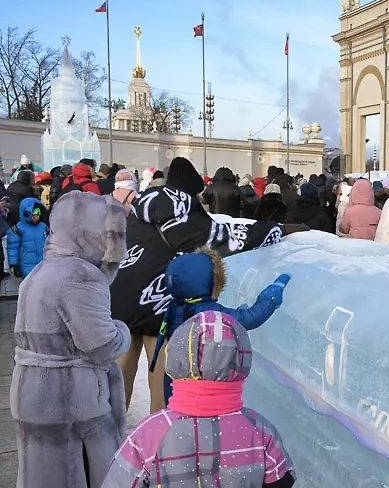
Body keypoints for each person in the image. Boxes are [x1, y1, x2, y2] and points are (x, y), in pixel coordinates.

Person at [72, 311, 295, 488]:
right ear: (241, 360)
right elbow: (278, 486)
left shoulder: (151, 433)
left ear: (177, 358)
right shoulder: (257, 427)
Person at [11, 191, 133, 488]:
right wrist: (123, 331)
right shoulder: (81, 276)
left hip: (37, 398)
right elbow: (100, 344)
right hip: (74, 405)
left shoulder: (41, 272)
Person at [110, 157, 284, 414]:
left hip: (120, 302)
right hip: (156, 308)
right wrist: (283, 229)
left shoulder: (139, 209)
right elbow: (233, 237)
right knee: (162, 383)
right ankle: (160, 442)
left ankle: (108, 442)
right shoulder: (184, 219)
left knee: (116, 384)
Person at [153, 249, 289, 404]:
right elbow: (250, 318)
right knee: (198, 421)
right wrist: (270, 297)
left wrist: (235, 314)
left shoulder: (176, 305)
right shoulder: (206, 310)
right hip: (200, 383)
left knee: (178, 416)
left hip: (174, 380)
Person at [7, 197, 47, 278]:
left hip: (42, 263)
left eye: (39, 213)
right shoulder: (18, 229)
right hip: (26, 265)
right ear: (27, 213)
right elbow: (12, 248)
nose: (37, 216)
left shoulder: (43, 227)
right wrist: (13, 264)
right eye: (35, 213)